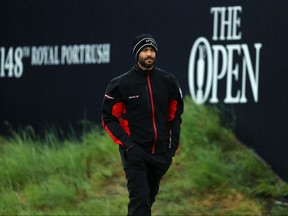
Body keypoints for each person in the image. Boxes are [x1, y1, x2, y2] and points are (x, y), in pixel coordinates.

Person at [101, 33, 184, 216]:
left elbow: (175, 116)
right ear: (137, 54)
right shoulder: (121, 84)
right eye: (145, 50)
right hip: (135, 153)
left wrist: (172, 148)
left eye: (152, 50)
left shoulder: (169, 82)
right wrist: (129, 145)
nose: (149, 54)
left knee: (147, 201)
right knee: (140, 202)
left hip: (161, 154)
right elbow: (108, 119)